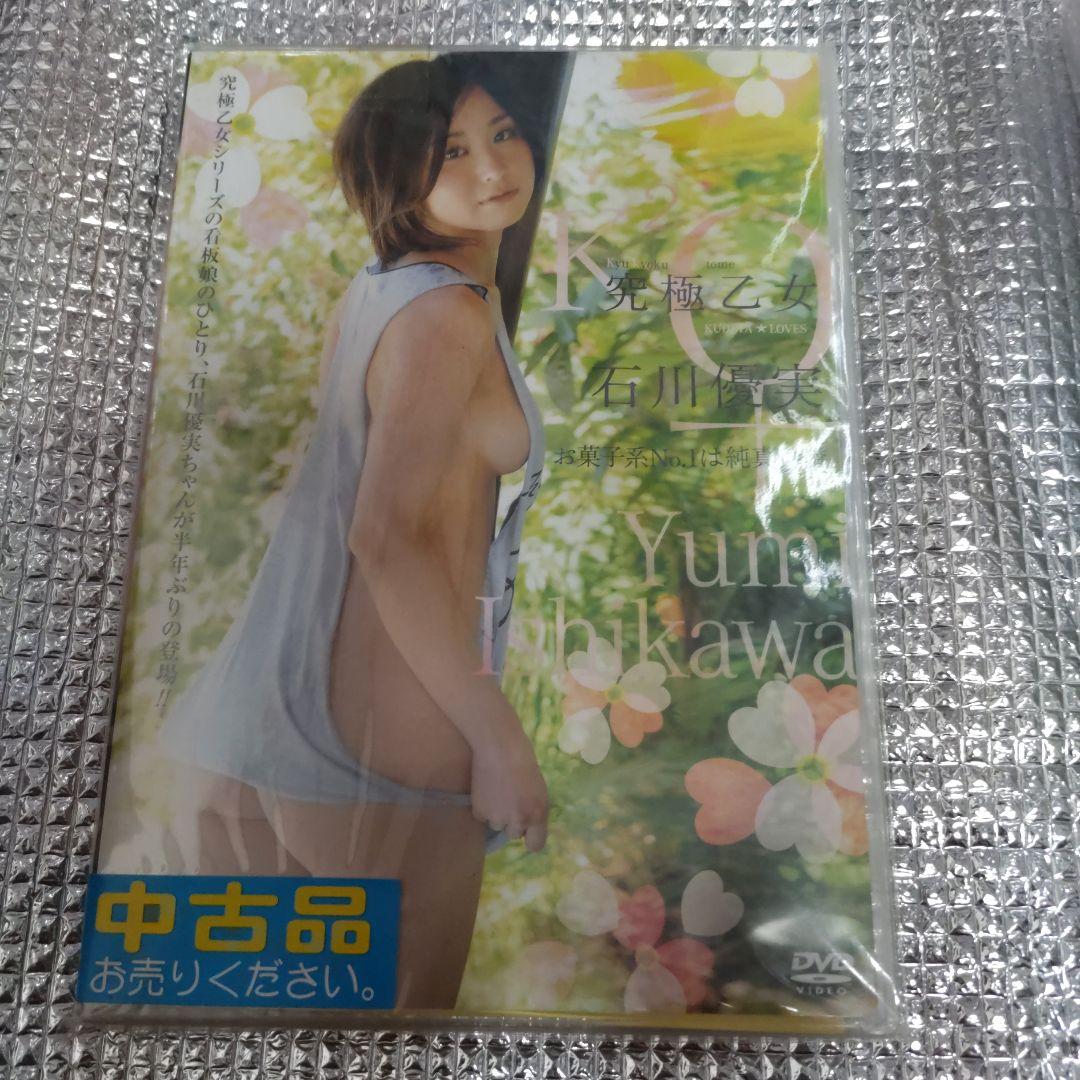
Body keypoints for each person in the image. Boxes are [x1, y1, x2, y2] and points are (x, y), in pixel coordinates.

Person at [155, 54, 550, 1008]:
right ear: (395, 172)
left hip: (253, 719)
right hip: (383, 744)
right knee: (406, 1047)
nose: (493, 166)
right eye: (451, 151)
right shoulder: (445, 316)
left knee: (262, 1040)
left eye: (503, 134)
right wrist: (497, 738)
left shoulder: (379, 288)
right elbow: (384, 538)